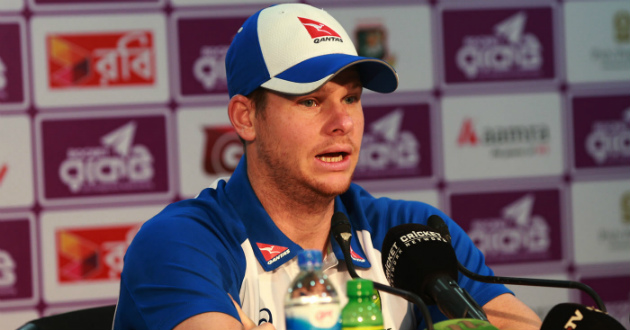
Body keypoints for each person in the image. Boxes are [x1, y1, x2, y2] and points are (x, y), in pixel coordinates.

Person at [112, 3, 542, 330]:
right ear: (246, 117)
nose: (343, 123)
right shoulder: (182, 244)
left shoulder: (412, 236)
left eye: (351, 98)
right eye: (310, 101)